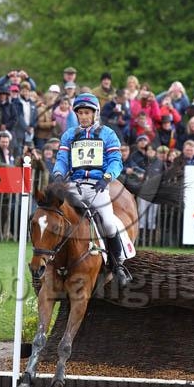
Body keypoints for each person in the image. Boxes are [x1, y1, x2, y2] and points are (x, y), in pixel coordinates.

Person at [52, 92, 131, 287]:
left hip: (98, 186)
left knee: (109, 223)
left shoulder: (108, 134)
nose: (84, 116)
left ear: (95, 113)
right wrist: (59, 174)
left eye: (87, 113)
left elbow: (115, 161)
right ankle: (52, 258)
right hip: (74, 185)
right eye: (80, 113)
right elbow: (62, 160)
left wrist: (107, 177)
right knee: (58, 216)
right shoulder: (69, 135)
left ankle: (118, 265)